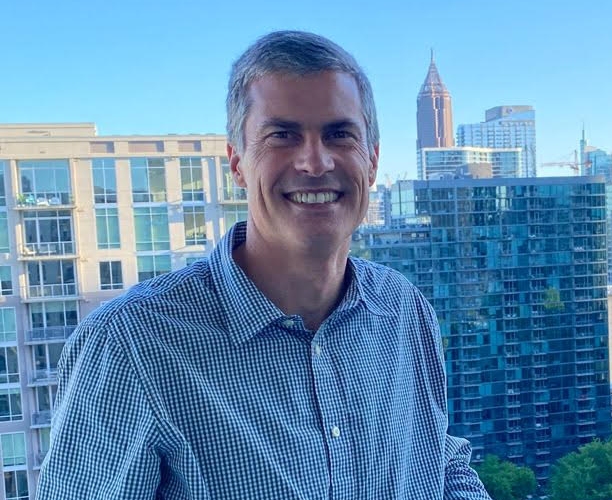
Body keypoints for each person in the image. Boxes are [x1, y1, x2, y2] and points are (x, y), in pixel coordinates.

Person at [37, 30, 492, 499]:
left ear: (372, 161)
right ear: (237, 163)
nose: (315, 162)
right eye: (282, 136)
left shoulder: (403, 309)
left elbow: (438, 463)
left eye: (339, 134)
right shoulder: (131, 343)